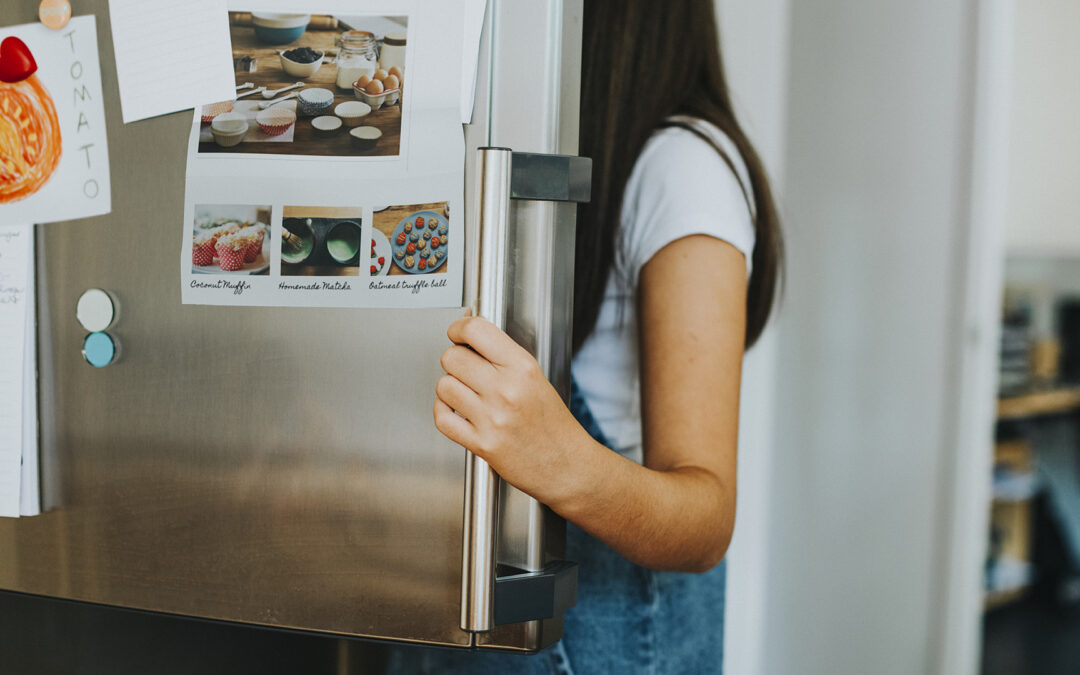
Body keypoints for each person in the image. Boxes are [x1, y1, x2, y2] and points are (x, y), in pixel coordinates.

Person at [385, 0, 782, 672]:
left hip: (595, 644)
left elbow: (707, 516)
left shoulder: (685, 168)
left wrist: (555, 455)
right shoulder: (519, 142)